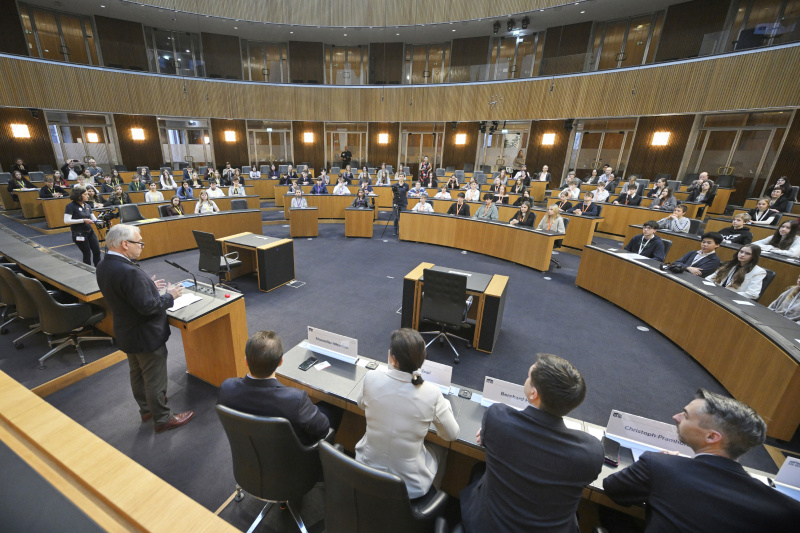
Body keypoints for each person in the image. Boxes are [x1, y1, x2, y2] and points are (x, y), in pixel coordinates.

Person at [603, 389, 800, 532]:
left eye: (686, 416)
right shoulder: (788, 510)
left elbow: (613, 488)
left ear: (712, 437)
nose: (676, 417)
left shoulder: (659, 465)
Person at [461, 354, 603, 533]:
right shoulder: (591, 453)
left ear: (533, 393)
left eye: (529, 377)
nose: (526, 379)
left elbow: (487, 439)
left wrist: (491, 432)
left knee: (477, 471)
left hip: (487, 526)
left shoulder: (498, 418)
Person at [96, 224, 193, 433]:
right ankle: (163, 418)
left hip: (126, 331)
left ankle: (147, 410)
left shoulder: (104, 264)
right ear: (124, 244)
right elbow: (148, 307)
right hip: (145, 335)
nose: (142, 246)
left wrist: (148, 287)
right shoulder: (129, 271)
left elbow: (126, 295)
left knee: (137, 374)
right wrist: (170, 296)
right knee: (154, 378)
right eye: (139, 242)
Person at [355, 329, 459, 500]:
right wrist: (444, 404)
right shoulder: (432, 393)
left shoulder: (370, 378)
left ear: (392, 359)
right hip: (409, 489)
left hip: (365, 471)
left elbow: (361, 405)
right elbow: (452, 435)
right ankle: (433, 500)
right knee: (442, 450)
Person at [218, 331, 342, 446]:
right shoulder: (296, 400)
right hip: (298, 460)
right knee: (334, 407)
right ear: (281, 362)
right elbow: (323, 429)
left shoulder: (226, 388)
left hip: (248, 454)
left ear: (246, 361)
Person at [63, 186, 102, 266]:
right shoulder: (70, 206)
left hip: (90, 232)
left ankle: (98, 269)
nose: (88, 196)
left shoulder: (87, 205)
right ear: (79, 195)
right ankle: (88, 269)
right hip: (79, 233)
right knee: (87, 253)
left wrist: (103, 221)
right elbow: (66, 221)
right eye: (85, 194)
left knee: (97, 251)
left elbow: (94, 219)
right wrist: (83, 220)